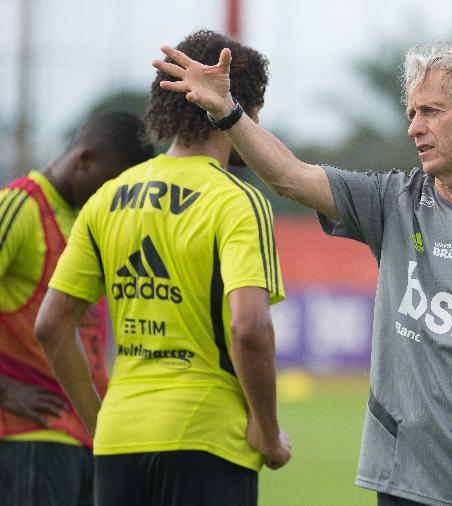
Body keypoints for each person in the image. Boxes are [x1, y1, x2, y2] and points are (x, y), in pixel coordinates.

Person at [152, 40, 452, 505]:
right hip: (404, 480)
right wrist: (228, 112)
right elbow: (288, 176)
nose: (415, 128)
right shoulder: (392, 200)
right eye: (412, 113)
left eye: (432, 112)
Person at [35, 30, 291, 506]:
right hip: (209, 439)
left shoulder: (109, 196)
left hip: (119, 440)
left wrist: (100, 424)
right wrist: (268, 430)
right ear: (239, 109)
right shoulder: (237, 200)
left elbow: (51, 325)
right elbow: (250, 327)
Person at [0, 110, 153, 506]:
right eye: (111, 185)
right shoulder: (20, 206)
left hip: (87, 434)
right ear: (84, 160)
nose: (115, 199)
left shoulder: (91, 224)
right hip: (31, 435)